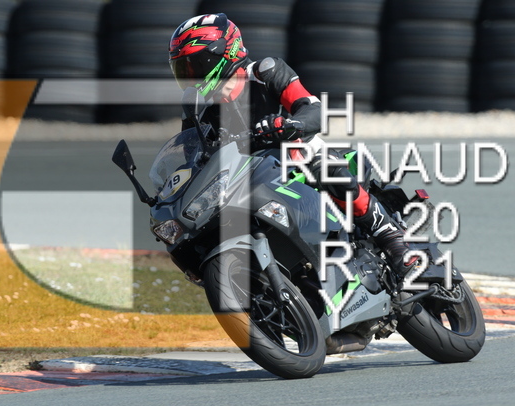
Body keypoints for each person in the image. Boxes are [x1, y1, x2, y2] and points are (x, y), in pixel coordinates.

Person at [168, 13, 417, 278]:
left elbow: (314, 109)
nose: (192, 77)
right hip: (246, 176)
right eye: (184, 70)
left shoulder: (266, 72)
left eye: (197, 66)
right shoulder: (196, 105)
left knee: (325, 166)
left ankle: (390, 237)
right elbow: (193, 153)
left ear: (226, 52)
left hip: (296, 158)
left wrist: (291, 125)